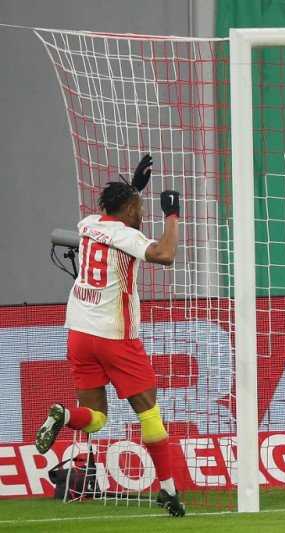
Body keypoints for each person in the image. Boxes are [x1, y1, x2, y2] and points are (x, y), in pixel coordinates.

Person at [35, 154, 185, 517]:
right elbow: (165, 254)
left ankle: (64, 415)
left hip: (79, 332)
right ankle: (167, 490)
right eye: (140, 208)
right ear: (129, 209)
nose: (143, 215)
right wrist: (172, 214)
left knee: (95, 416)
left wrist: (134, 188)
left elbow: (117, 213)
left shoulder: (87, 224)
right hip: (114, 336)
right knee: (150, 415)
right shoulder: (126, 236)